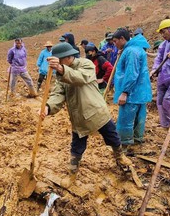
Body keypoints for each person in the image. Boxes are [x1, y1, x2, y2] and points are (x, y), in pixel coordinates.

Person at [41, 42, 130, 187]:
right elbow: (58, 94)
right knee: (77, 146)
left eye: (59, 60)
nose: (57, 63)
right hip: (79, 117)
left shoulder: (86, 64)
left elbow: (80, 78)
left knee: (112, 136)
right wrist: (48, 107)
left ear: (67, 57)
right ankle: (72, 173)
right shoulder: (61, 74)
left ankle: (120, 156)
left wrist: (61, 69)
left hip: (96, 112)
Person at [112, 29, 152, 153]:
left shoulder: (130, 51)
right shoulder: (136, 49)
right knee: (139, 117)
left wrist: (125, 92)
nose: (114, 44)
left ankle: (123, 146)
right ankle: (137, 140)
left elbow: (131, 73)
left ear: (122, 39)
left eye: (115, 41)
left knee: (125, 119)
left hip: (132, 93)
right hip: (140, 91)